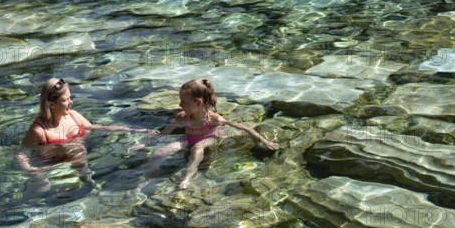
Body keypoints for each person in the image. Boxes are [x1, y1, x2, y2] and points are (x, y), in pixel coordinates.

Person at [142, 79, 279, 189]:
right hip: (189, 138)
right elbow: (165, 132)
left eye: (183, 101)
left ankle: (187, 178)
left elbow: (243, 127)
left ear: (198, 102)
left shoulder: (215, 119)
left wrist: (265, 141)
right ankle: (148, 179)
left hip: (210, 138)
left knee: (198, 147)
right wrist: (145, 142)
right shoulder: (182, 117)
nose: (179, 104)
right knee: (158, 153)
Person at [16, 77, 155, 185]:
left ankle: (90, 185)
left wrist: (134, 130)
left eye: (70, 97)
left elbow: (98, 127)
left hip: (80, 159)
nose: (71, 102)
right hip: (50, 165)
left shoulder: (74, 116)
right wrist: (31, 170)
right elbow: (20, 152)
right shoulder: (39, 131)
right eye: (65, 100)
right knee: (43, 187)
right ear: (51, 104)